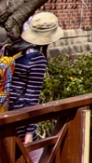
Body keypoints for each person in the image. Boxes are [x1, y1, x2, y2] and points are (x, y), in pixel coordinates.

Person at [9, 13, 62, 142]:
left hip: (5, 109)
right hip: (19, 115)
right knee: (33, 160)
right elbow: (31, 97)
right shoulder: (37, 59)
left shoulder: (10, 50)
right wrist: (29, 132)